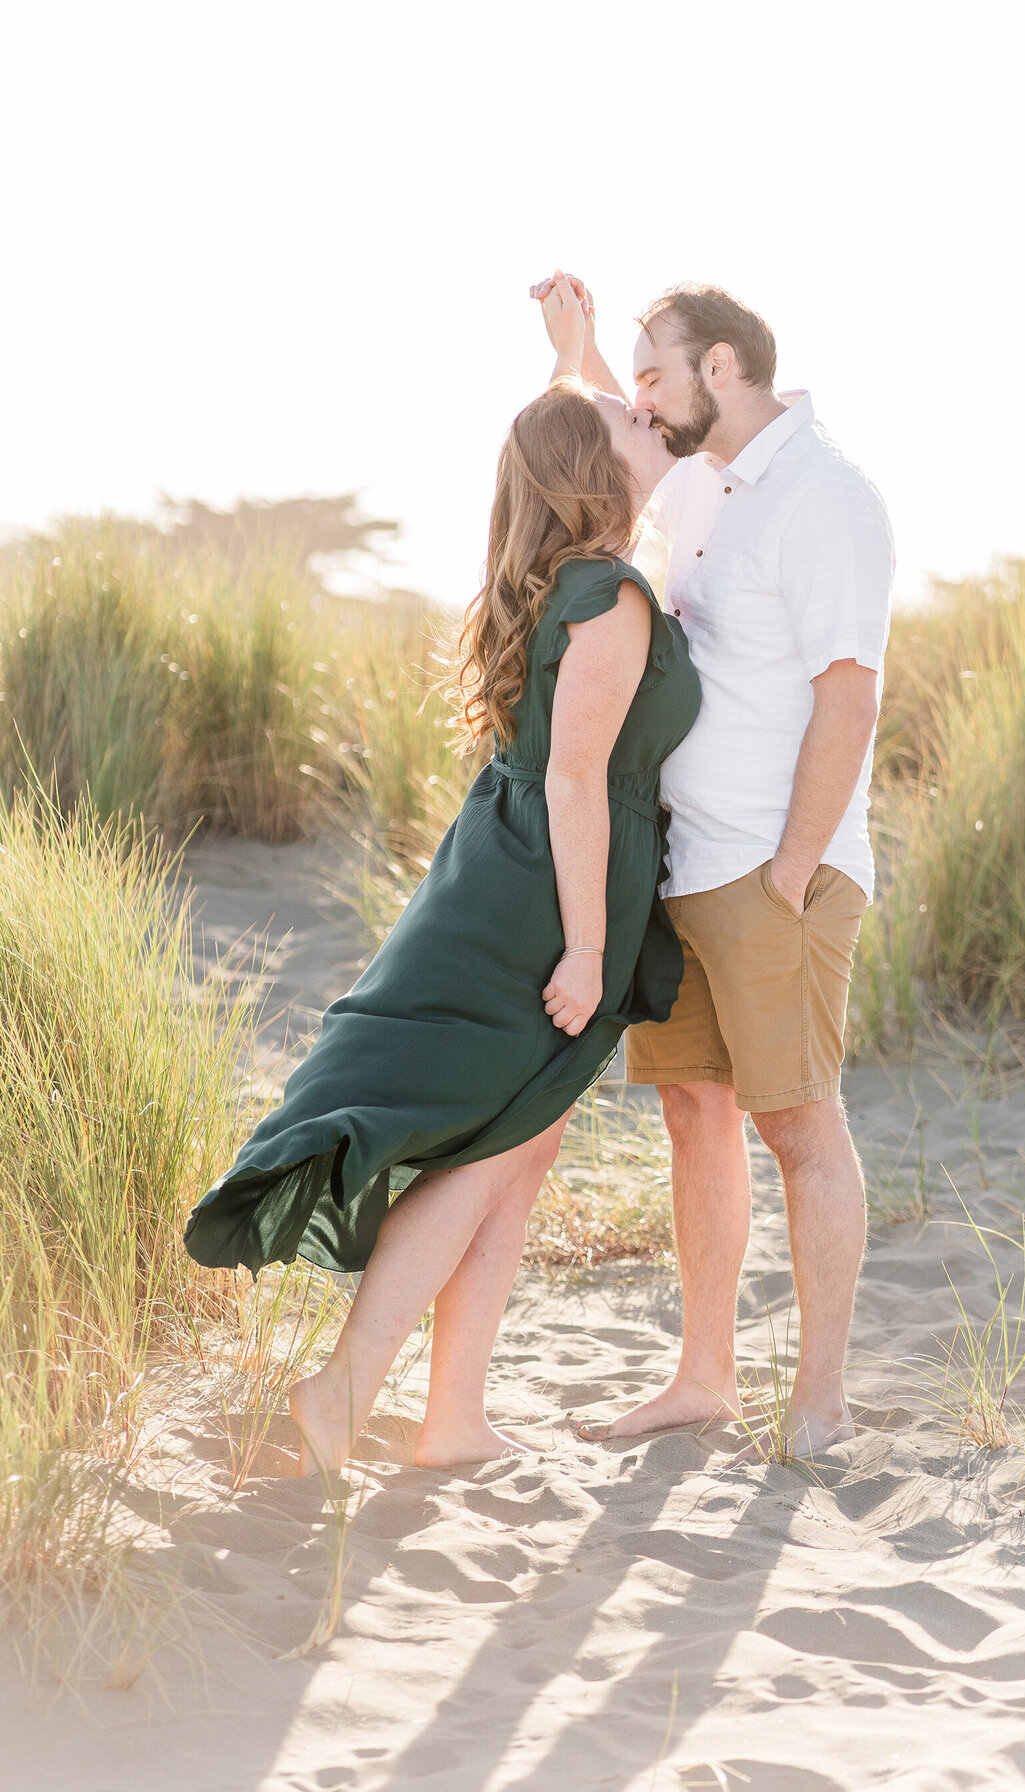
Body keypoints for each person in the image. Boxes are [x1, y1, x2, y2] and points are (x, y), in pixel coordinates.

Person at [184, 273, 700, 1476]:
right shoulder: (612, 598)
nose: (648, 419)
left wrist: (575, 355)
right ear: (599, 473)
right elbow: (579, 784)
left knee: (512, 1156)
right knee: (481, 1159)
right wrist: (584, 949)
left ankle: (450, 1417)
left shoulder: (566, 574)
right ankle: (341, 1395)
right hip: (543, 905)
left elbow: (591, 441)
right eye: (627, 418)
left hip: (509, 874)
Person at [530, 275, 894, 1462]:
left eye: (654, 374)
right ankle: (705, 1377)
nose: (640, 398)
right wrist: (578, 353)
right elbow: (599, 438)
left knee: (799, 1124)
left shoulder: (824, 495)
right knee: (698, 1111)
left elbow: (851, 694)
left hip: (772, 872)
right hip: (687, 869)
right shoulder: (700, 476)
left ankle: (822, 1404)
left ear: (723, 368)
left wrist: (794, 865)